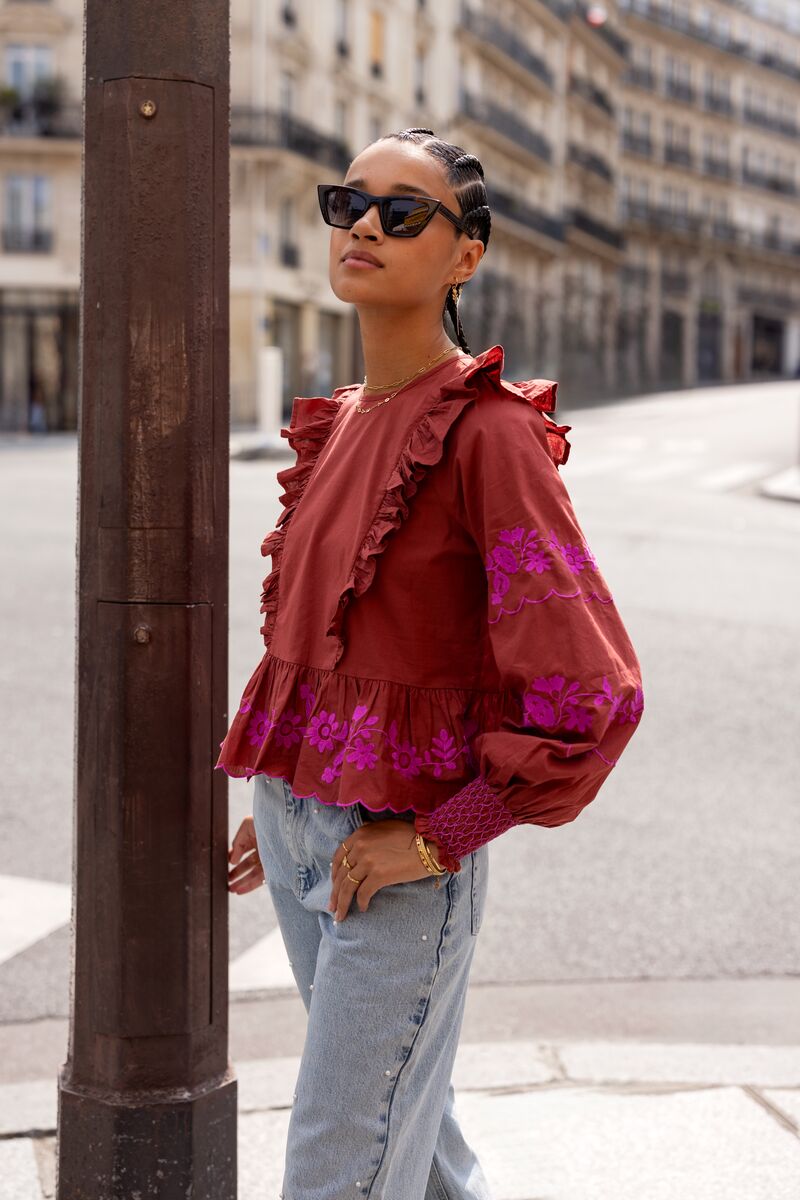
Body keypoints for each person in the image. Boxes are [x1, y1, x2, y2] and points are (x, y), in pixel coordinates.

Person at [223, 127, 645, 1199]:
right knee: (410, 1145)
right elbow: (326, 642)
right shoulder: (344, 422)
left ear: (466, 255)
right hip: (302, 824)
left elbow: (588, 692)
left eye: (402, 211)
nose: (363, 224)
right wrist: (280, 791)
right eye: (347, 202)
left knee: (337, 1167)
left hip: (399, 857)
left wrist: (443, 836)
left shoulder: (486, 435)